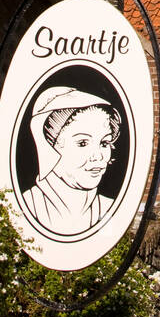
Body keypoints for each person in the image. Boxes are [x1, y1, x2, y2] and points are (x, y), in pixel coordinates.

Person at [23, 85, 122, 236]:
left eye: (104, 143)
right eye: (83, 143)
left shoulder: (110, 208)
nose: (98, 156)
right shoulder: (26, 206)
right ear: (50, 146)